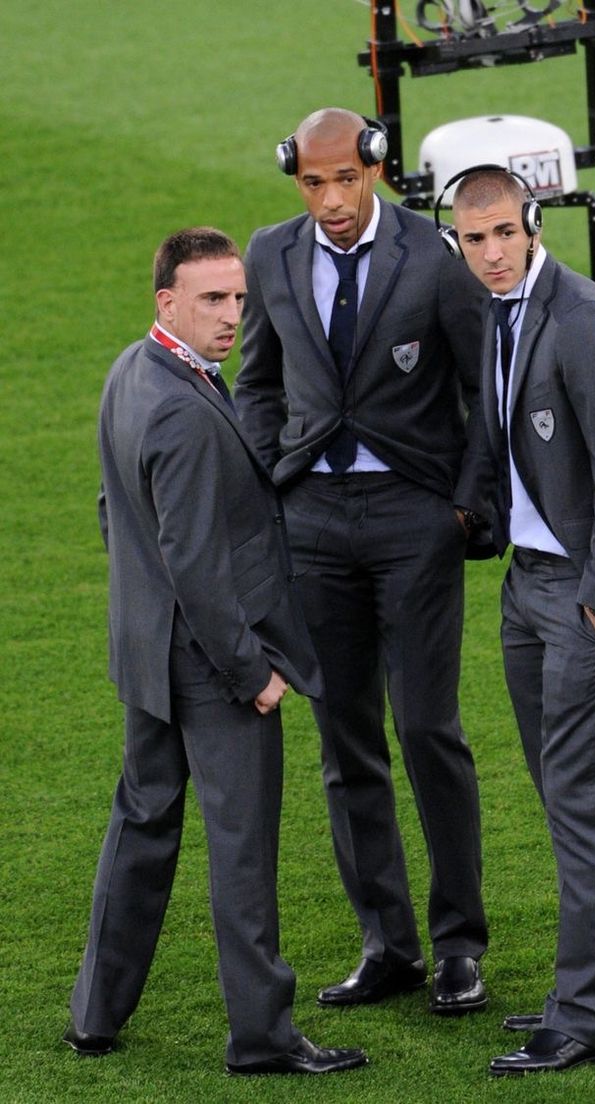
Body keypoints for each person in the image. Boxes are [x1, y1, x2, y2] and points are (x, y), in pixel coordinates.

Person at [62, 227, 367, 1077]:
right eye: (212, 300)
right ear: (169, 302)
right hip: (211, 666)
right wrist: (253, 673)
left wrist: (145, 608)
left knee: (142, 825)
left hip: (147, 656)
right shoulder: (181, 411)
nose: (233, 316)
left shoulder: (134, 371)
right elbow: (196, 562)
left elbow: (113, 510)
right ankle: (265, 1039)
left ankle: (95, 1015)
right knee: (240, 850)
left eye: (239, 299)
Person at [234, 108, 490, 1015]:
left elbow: (481, 385)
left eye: (346, 179)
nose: (332, 201)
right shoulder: (269, 255)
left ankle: (461, 944)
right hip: (311, 523)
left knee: (428, 730)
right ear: (294, 178)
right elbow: (256, 382)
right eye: (313, 183)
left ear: (376, 168)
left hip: (414, 521)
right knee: (346, 744)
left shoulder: (433, 256)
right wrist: (273, 479)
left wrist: (465, 505)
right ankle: (389, 945)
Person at [450, 167, 595, 1075]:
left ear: (533, 224)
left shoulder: (583, 322)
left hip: (583, 593)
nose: (493, 254)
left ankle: (582, 1017)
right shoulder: (497, 314)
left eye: (505, 233)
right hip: (526, 581)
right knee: (566, 796)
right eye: (475, 241)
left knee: (580, 799)